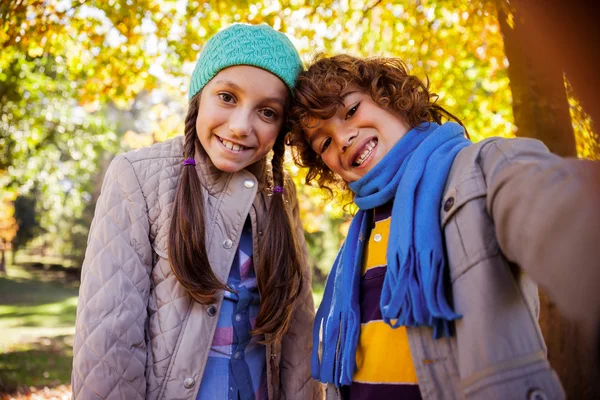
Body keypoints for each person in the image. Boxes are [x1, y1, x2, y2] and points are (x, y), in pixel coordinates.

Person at [288, 54, 600, 399]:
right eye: (325, 143)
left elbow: (551, 201)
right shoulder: (358, 237)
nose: (343, 138)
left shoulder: (481, 169)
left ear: (390, 96)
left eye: (350, 111)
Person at [72, 24, 321, 400]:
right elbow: (109, 335)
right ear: (198, 97)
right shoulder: (139, 176)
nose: (240, 127)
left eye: (267, 112)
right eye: (226, 97)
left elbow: (298, 331)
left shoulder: (279, 194)